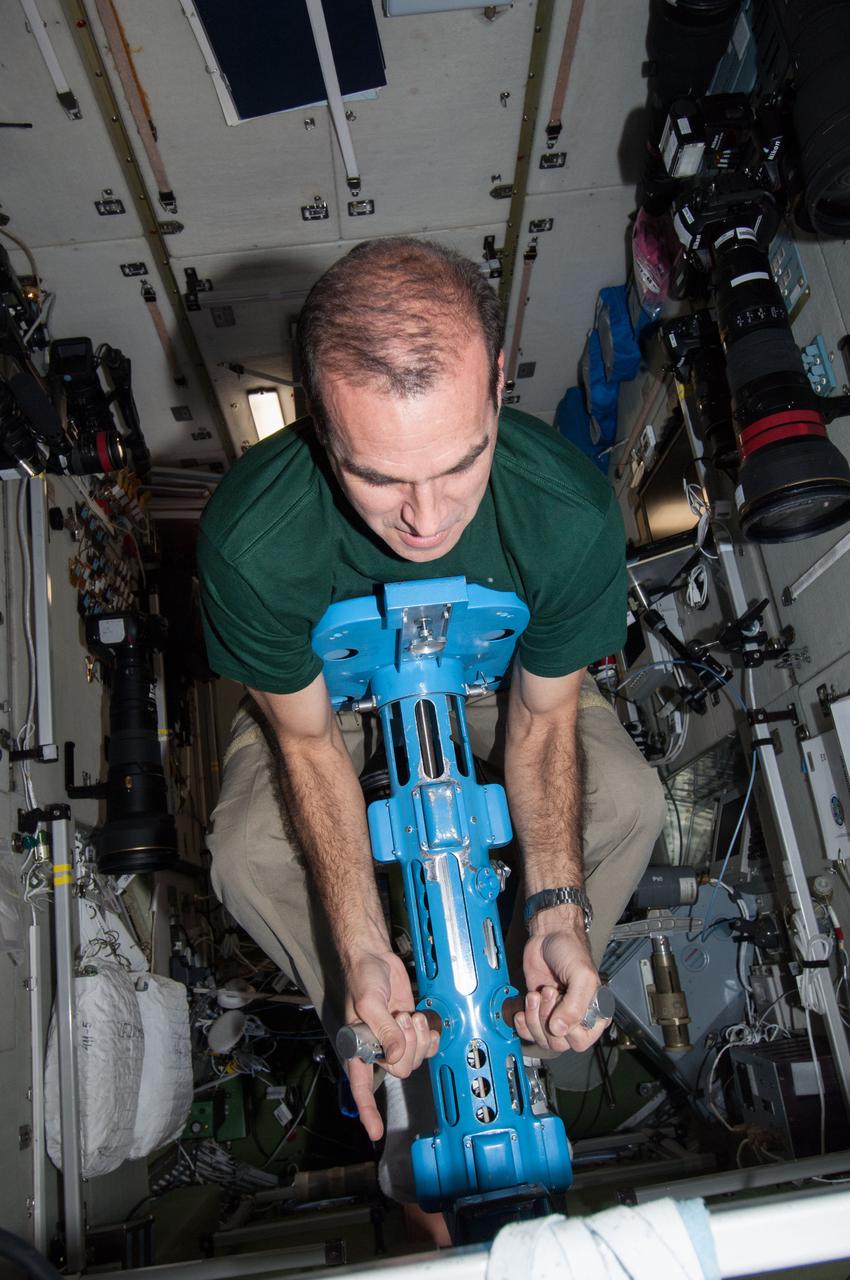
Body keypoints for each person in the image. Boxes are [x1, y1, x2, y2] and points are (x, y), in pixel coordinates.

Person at [198, 237, 665, 1156]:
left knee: (632, 802)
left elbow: (543, 720)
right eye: (376, 477)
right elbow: (306, 748)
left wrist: (556, 906)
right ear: (318, 424)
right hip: (319, 705)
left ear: (496, 385)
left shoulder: (567, 514)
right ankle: (375, 1019)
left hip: (503, 681)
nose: (425, 517)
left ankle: (537, 991)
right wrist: (364, 943)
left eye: (459, 464)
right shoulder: (250, 541)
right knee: (247, 853)